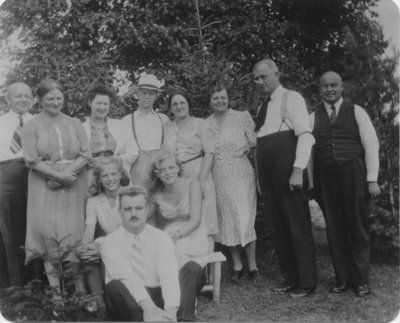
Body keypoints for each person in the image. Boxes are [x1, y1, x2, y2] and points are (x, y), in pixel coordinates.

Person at [309, 71, 380, 297]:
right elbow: (309, 153)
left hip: (354, 173)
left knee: (357, 227)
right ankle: (342, 279)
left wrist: (372, 179)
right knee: (334, 228)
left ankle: (360, 281)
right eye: (325, 86)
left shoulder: (356, 111)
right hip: (326, 178)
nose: (330, 89)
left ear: (341, 88)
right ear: (319, 90)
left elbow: (371, 145)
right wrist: (311, 183)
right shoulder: (313, 117)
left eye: (334, 85)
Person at [253, 59, 316, 297]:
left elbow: (305, 136)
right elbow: (260, 144)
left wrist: (298, 169)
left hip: (288, 171)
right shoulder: (262, 108)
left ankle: (307, 283)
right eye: (256, 79)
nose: (259, 83)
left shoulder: (292, 98)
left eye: (263, 77)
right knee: (278, 227)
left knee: (297, 226)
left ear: (276, 74)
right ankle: (290, 279)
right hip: (268, 175)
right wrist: (260, 180)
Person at [21, 79, 91, 290]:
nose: (55, 102)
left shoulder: (74, 123)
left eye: (58, 98)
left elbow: (86, 154)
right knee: (48, 233)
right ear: (40, 100)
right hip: (43, 185)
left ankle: (79, 292)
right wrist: (57, 176)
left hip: (74, 182)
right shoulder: (31, 125)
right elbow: (31, 159)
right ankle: (56, 295)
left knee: (74, 232)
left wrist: (68, 173)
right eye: (50, 98)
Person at [100, 186, 206, 321]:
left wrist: (171, 311)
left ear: (147, 210)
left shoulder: (161, 237)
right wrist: (149, 309)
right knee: (113, 287)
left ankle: (180, 319)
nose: (133, 214)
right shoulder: (110, 243)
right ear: (119, 212)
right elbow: (128, 277)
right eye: (127, 209)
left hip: (159, 292)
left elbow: (168, 274)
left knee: (193, 268)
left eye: (138, 208)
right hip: (133, 299)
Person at [205, 85, 258, 284]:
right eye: (215, 98)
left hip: (241, 172)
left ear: (228, 98)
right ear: (210, 102)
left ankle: (252, 264)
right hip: (218, 174)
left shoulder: (241, 116)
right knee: (227, 218)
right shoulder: (206, 123)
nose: (220, 101)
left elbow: (255, 144)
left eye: (223, 97)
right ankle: (237, 264)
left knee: (244, 216)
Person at [164, 90, 218, 252]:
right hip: (177, 177)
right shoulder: (167, 127)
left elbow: (210, 152)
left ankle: (208, 269)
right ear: (171, 108)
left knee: (205, 219)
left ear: (188, 105)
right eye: (175, 104)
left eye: (182, 103)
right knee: (184, 218)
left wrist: (201, 181)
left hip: (198, 172)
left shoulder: (201, 124)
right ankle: (186, 260)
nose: (179, 106)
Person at [76, 157, 129, 307]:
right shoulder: (94, 202)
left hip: (131, 243)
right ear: (98, 179)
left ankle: (113, 305)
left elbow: (133, 231)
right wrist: (82, 249)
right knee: (89, 254)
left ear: (120, 175)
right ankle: (100, 306)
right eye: (105, 175)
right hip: (109, 244)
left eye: (114, 174)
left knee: (102, 250)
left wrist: (103, 246)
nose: (110, 179)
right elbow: (88, 233)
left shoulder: (129, 194)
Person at [0, 82, 34, 287]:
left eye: (26, 96)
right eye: (18, 96)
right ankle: (16, 286)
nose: (23, 99)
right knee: (11, 228)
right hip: (6, 175)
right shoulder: (1, 123)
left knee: (36, 225)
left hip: (36, 174)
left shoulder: (40, 122)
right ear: (8, 100)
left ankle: (40, 282)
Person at [152, 149, 209, 268]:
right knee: (157, 249)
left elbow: (196, 221)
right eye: (162, 170)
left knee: (179, 247)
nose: (167, 172)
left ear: (178, 168)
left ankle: (183, 282)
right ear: (157, 174)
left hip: (194, 233)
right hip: (170, 231)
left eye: (171, 167)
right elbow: (144, 218)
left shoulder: (193, 185)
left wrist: (177, 236)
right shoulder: (157, 196)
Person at [121, 73, 169, 194]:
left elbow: (168, 147)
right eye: (143, 93)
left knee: (160, 204)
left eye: (151, 93)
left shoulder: (163, 119)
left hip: (160, 169)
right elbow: (124, 151)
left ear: (156, 96)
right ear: (137, 94)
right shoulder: (127, 120)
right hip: (138, 170)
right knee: (139, 203)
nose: (147, 97)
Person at [82, 85, 138, 177]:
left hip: (116, 177)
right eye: (98, 103)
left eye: (105, 104)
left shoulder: (120, 126)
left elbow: (133, 152)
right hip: (90, 178)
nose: (102, 107)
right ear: (90, 103)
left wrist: (113, 161)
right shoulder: (81, 129)